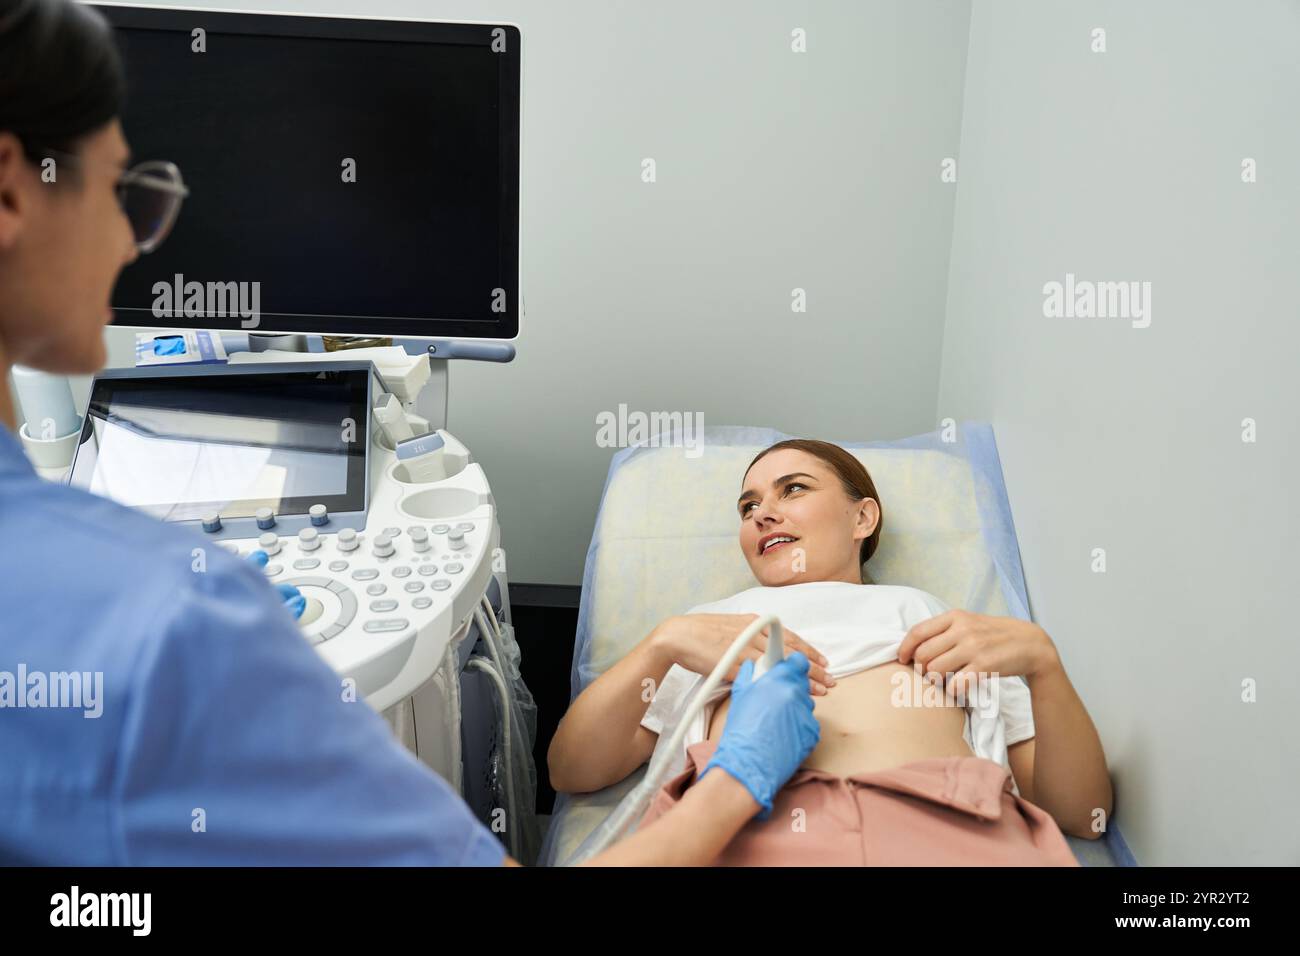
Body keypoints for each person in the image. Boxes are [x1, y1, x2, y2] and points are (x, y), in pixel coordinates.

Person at [0, 0, 820, 866]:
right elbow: (570, 768)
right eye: (123, 192)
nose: (137, 243)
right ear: (16, 192)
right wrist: (737, 774)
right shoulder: (171, 621)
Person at [549, 439, 1114, 865]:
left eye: (792, 489)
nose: (762, 514)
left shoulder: (927, 612)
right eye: (748, 507)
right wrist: (660, 644)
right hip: (746, 826)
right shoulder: (710, 628)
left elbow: (1082, 815)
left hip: (947, 829)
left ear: (862, 518)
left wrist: (1044, 666)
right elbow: (573, 771)